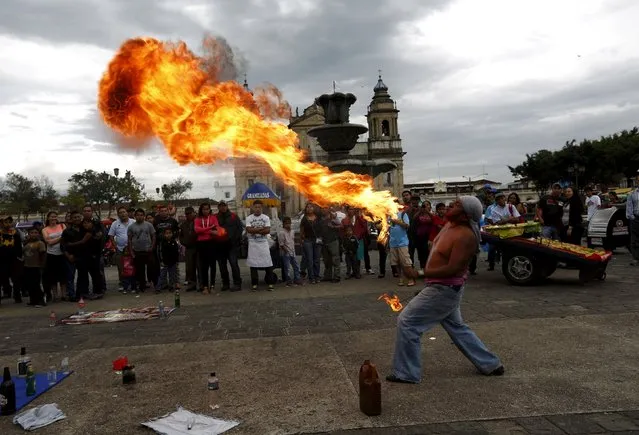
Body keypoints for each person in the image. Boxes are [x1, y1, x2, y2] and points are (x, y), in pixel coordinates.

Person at [387, 196, 504, 384]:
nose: (451, 205)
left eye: (457, 205)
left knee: (407, 322)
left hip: (444, 289)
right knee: (457, 327)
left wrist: (418, 273)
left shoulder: (465, 236)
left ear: (466, 215)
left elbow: (453, 268)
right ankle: (490, 364)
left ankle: (407, 373)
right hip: (443, 288)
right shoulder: (450, 224)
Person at [245, 200, 275, 291]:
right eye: (256, 207)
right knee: (253, 264)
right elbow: (249, 230)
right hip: (253, 245)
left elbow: (268, 231)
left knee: (268, 263)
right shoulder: (249, 218)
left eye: (259, 207)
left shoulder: (266, 217)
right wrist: (261, 229)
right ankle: (254, 284)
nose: (257, 209)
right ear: (253, 208)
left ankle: (270, 283)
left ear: (262, 208)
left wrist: (255, 230)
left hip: (263, 245)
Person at [216, 201, 243, 291]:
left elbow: (240, 228)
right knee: (222, 266)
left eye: (224, 206)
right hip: (220, 246)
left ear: (227, 206)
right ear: (218, 207)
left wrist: (235, 239)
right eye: (221, 206)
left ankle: (237, 283)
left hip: (232, 245)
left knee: (234, 264)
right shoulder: (215, 217)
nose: (223, 208)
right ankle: (225, 283)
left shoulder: (233, 216)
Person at [128, 209, 156, 293]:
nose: (139, 217)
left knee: (151, 268)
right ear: (135, 216)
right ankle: (142, 286)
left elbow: (153, 236)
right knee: (140, 270)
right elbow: (129, 240)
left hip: (148, 251)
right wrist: (131, 252)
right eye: (137, 215)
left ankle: (153, 283)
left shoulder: (149, 225)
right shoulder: (131, 227)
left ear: (144, 216)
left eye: (141, 215)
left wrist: (152, 247)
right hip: (137, 251)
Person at [194, 202, 219, 294]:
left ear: (210, 209)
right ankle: (205, 286)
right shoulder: (197, 219)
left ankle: (212, 285)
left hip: (211, 243)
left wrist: (204, 230)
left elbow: (217, 231)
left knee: (212, 265)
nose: (206, 211)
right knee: (203, 266)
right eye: (204, 209)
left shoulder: (213, 218)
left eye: (207, 209)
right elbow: (197, 230)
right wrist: (210, 228)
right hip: (201, 243)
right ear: (201, 209)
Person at [41, 211, 67, 302]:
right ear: (48, 218)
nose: (53, 218)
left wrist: (57, 239)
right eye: (51, 217)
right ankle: (55, 295)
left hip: (62, 254)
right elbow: (49, 242)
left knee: (63, 276)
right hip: (51, 255)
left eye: (55, 216)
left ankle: (64, 295)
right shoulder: (45, 229)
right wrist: (61, 237)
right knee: (53, 277)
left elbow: (66, 238)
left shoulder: (62, 226)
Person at [108, 206, 134, 293]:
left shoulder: (133, 222)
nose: (123, 214)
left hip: (132, 249)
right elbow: (111, 236)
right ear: (118, 215)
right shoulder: (115, 223)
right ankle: (122, 284)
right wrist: (115, 247)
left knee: (133, 266)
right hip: (120, 249)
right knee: (121, 267)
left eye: (124, 212)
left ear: (127, 213)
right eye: (120, 212)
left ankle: (133, 283)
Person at [389, 206, 416, 287]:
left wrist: (397, 221)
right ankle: (401, 278)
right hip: (393, 242)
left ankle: (411, 278)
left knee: (406, 262)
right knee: (396, 262)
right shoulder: (388, 216)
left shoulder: (403, 214)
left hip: (402, 242)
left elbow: (407, 226)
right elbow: (387, 228)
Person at [0, 215, 23, 304]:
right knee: (2, 277)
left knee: (16, 278)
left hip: (14, 260)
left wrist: (19, 257)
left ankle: (17, 296)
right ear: (1, 223)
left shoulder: (15, 234)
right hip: (2, 260)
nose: (8, 224)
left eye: (9, 222)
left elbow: (19, 247)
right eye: (5, 222)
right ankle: (7, 292)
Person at [22, 227, 46, 306]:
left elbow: (43, 255)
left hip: (36, 266)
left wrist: (42, 266)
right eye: (32, 233)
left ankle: (41, 300)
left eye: (36, 232)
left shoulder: (40, 243)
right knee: (30, 284)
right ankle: (33, 300)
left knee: (36, 284)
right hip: (27, 266)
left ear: (38, 234)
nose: (34, 234)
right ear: (29, 234)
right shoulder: (27, 243)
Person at [319, 207, 341, 282]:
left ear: (328, 209)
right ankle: (327, 276)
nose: (323, 210)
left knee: (335, 259)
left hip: (333, 241)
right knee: (327, 261)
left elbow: (341, 226)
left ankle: (336, 276)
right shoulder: (321, 219)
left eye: (325, 208)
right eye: (322, 208)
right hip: (324, 242)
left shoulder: (333, 217)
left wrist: (333, 226)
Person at [300, 203, 321, 284]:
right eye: (307, 207)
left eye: (311, 207)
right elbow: (301, 229)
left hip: (317, 240)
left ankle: (317, 276)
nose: (309, 208)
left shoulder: (318, 218)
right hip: (307, 240)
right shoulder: (304, 218)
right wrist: (301, 239)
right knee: (310, 260)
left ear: (314, 208)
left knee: (317, 260)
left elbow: (321, 228)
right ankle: (311, 277)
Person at [278, 217, 302, 286]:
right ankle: (288, 281)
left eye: (289, 223)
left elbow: (292, 241)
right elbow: (281, 244)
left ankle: (297, 279)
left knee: (296, 266)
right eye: (286, 224)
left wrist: (293, 251)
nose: (288, 225)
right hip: (286, 252)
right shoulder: (281, 233)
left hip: (292, 251)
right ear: (283, 224)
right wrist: (286, 251)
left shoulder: (292, 231)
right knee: (287, 267)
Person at [179, 207, 198, 291]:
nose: (188, 215)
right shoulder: (183, 224)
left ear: (194, 213)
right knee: (190, 267)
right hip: (189, 248)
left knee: (200, 266)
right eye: (187, 213)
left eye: (190, 213)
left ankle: (202, 284)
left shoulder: (198, 222)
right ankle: (192, 284)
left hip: (198, 247)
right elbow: (181, 236)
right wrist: (184, 242)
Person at [156, 228, 180, 292]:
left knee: (172, 275)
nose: (168, 235)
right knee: (162, 275)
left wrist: (176, 261)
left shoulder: (174, 242)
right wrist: (161, 261)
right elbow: (160, 252)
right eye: (167, 233)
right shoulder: (162, 243)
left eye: (170, 233)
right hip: (164, 262)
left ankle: (171, 286)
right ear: (164, 234)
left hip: (173, 262)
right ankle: (158, 288)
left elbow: (176, 252)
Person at [626, 185, 639, 266]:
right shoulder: (632, 194)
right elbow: (629, 207)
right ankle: (635, 258)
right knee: (635, 239)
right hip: (636, 218)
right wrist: (632, 218)